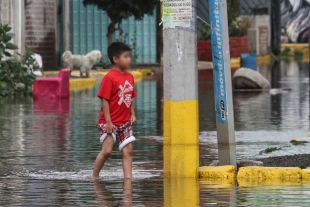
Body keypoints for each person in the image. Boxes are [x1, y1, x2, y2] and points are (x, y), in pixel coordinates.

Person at [93, 42, 137, 179]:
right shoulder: (109, 78)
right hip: (109, 122)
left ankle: (128, 180)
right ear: (115, 59)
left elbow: (129, 97)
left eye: (129, 56)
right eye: (125, 56)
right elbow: (104, 99)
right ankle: (94, 176)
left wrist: (132, 114)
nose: (129, 59)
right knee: (107, 152)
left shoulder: (130, 77)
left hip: (125, 122)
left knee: (128, 151)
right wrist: (108, 122)